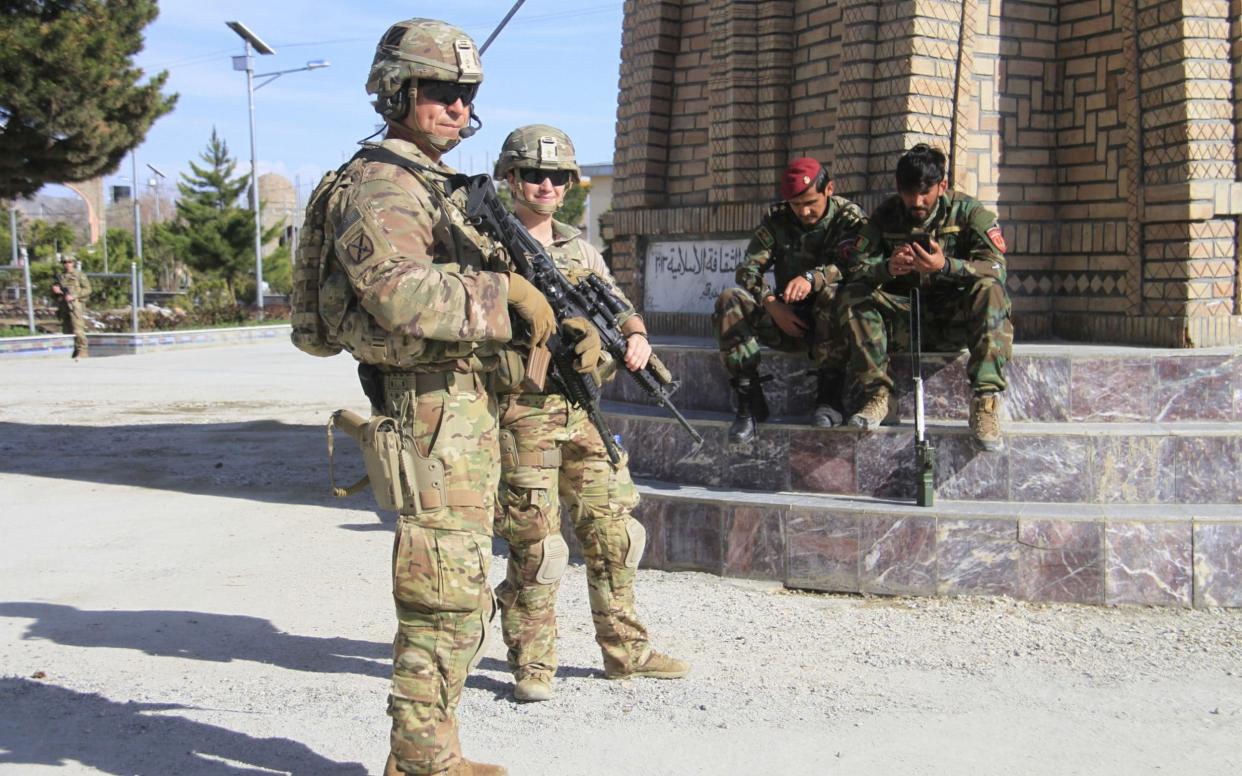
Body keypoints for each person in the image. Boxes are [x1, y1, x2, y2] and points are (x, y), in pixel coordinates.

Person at [317, 18, 560, 776]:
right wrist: (506, 292)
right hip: (426, 412)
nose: (458, 107)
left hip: (460, 406)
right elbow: (397, 295)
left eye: (468, 95)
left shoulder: (432, 183)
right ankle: (420, 762)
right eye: (442, 92)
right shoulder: (382, 182)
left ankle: (430, 754)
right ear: (396, 89)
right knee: (443, 591)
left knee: (456, 589)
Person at [489, 125, 689, 702]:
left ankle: (626, 652)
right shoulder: (487, 249)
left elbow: (618, 304)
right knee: (538, 544)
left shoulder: (579, 249)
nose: (546, 185)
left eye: (557, 177)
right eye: (533, 175)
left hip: (584, 411)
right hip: (523, 413)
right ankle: (533, 662)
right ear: (510, 179)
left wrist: (636, 336)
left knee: (616, 533)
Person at [842, 143, 1012, 451]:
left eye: (925, 193)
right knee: (855, 294)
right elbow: (854, 266)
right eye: (909, 193)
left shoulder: (969, 212)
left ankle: (985, 403)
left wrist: (945, 266)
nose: (917, 202)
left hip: (954, 319)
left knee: (990, 290)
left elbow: (996, 268)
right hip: (904, 319)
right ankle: (880, 396)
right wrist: (887, 268)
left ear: (942, 186)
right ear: (898, 187)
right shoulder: (886, 215)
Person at [712, 158, 867, 444]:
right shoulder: (779, 219)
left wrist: (813, 279)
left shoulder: (850, 218)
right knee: (729, 300)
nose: (804, 211)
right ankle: (750, 404)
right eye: (796, 205)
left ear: (829, 189)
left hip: (832, 326)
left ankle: (830, 400)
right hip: (786, 317)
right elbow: (747, 269)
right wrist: (771, 303)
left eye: (810, 203)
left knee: (835, 293)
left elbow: (858, 265)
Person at [51, 253, 91, 360]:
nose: (67, 264)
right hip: (63, 305)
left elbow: (88, 289)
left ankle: (83, 350)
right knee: (67, 329)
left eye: (69, 262)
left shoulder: (79, 275)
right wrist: (56, 291)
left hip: (75, 305)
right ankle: (76, 349)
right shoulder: (60, 276)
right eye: (65, 262)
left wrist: (74, 296)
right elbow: (54, 291)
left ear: (73, 263)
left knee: (78, 328)